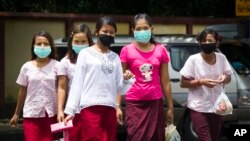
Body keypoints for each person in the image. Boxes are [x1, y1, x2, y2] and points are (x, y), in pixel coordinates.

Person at [64, 16, 130, 141]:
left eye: (112, 32)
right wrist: (71, 111)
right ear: (97, 32)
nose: (108, 34)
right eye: (105, 31)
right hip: (90, 107)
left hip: (109, 109)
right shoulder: (85, 53)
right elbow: (77, 83)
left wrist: (127, 80)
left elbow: (120, 89)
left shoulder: (115, 57)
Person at [118, 13, 174, 141]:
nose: (142, 31)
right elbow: (120, 80)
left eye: (145, 28)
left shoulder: (161, 50)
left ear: (151, 29)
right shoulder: (127, 50)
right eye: (138, 29)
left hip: (155, 103)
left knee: (156, 137)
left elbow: (165, 81)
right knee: (136, 137)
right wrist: (117, 105)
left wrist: (170, 106)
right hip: (134, 103)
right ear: (133, 30)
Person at [179, 29, 233, 141]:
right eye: (204, 40)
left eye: (210, 40)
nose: (207, 43)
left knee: (214, 138)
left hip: (218, 106)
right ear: (200, 43)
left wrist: (224, 78)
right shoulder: (193, 60)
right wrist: (201, 82)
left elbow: (228, 78)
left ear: (217, 42)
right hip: (198, 107)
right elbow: (183, 83)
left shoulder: (222, 58)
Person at [9, 31, 59, 141]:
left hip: (51, 115)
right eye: (39, 43)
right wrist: (16, 114)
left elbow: (62, 90)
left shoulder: (57, 66)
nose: (42, 46)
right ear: (33, 46)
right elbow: (22, 92)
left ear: (50, 46)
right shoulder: (26, 67)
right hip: (31, 115)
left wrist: (62, 111)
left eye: (46, 44)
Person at [57, 23, 94, 141]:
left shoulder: (96, 60)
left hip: (93, 110)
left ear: (90, 42)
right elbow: (62, 88)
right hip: (73, 112)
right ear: (71, 42)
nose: (80, 44)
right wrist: (60, 110)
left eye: (83, 41)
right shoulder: (65, 62)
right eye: (77, 41)